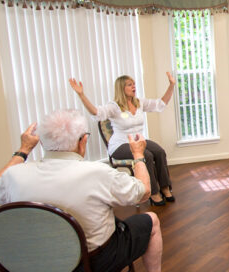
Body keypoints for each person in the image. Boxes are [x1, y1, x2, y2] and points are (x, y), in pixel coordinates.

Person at [0, 110, 183, 272]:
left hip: (30, 268)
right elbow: (143, 191)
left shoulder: (14, 176)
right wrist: (137, 155)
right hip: (91, 266)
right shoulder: (96, 173)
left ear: (41, 143)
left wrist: (23, 150)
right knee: (150, 220)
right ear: (82, 141)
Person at [69, 73, 176, 206]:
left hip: (138, 141)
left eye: (134, 84)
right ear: (121, 88)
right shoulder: (114, 107)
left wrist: (171, 85)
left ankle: (165, 187)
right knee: (146, 155)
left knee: (159, 151)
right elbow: (96, 112)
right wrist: (81, 94)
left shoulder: (139, 103)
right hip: (120, 145)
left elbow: (160, 104)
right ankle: (153, 192)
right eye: (130, 85)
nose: (134, 87)